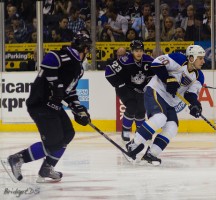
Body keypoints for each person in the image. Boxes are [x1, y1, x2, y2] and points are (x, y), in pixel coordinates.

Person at [4, 32, 92, 183]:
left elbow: (69, 92)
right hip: (40, 104)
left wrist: (79, 109)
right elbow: (50, 58)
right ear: (83, 48)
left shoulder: (78, 68)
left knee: (68, 133)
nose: (88, 52)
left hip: (54, 107)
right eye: (87, 49)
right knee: (54, 142)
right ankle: (18, 158)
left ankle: (47, 167)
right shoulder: (63, 56)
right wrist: (56, 85)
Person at [125, 45, 205, 165]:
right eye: (200, 58)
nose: (203, 61)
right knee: (160, 118)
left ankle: (151, 154)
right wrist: (167, 79)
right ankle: (133, 145)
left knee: (172, 127)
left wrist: (195, 104)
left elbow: (190, 95)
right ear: (192, 58)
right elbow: (156, 64)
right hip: (156, 91)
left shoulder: (199, 76)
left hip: (170, 102)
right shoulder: (178, 58)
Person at [105, 40, 154, 142]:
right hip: (125, 89)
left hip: (140, 90)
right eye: (136, 51)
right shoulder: (125, 60)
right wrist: (119, 84)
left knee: (141, 110)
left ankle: (140, 133)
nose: (139, 53)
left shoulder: (148, 60)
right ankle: (125, 131)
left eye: (141, 50)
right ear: (132, 51)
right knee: (132, 106)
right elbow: (109, 70)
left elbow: (155, 71)